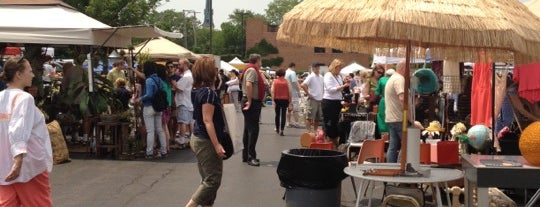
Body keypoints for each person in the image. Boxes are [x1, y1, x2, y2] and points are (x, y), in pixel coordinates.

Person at [0, 58, 53, 206]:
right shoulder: (24, 98)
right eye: (29, 71)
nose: (33, 75)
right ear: (18, 74)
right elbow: (18, 128)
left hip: (4, 166)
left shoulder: (1, 97)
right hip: (28, 165)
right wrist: (18, 160)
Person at [185, 56, 226, 207]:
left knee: (207, 179)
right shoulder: (208, 92)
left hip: (198, 137)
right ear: (209, 72)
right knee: (212, 181)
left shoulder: (197, 90)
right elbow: (208, 120)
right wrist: (217, 145)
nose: (216, 71)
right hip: (206, 140)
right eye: (214, 69)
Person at [384, 60, 423, 163]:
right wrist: (411, 119)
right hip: (399, 117)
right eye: (409, 68)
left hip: (392, 117)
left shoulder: (392, 78)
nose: (410, 71)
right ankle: (401, 166)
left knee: (393, 145)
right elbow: (402, 99)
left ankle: (391, 167)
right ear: (403, 68)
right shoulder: (399, 79)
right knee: (408, 143)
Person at [136, 61, 168, 159]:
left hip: (149, 106)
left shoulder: (149, 80)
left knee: (150, 131)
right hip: (159, 107)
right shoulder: (159, 79)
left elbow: (149, 95)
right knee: (159, 130)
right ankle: (164, 150)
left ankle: (149, 152)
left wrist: (140, 98)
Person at [240, 54, 265, 167]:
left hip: (250, 101)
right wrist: (250, 101)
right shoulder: (252, 70)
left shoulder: (251, 69)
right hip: (251, 102)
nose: (261, 63)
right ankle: (251, 156)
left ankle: (246, 155)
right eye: (261, 61)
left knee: (248, 129)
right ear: (257, 61)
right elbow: (249, 85)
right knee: (253, 130)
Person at [322, 59, 349, 146]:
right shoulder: (328, 75)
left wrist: (341, 101)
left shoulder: (338, 76)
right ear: (335, 67)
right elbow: (330, 90)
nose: (340, 69)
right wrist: (343, 86)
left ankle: (334, 143)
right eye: (339, 68)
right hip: (329, 102)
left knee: (336, 124)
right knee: (330, 124)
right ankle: (329, 143)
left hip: (336, 102)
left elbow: (339, 92)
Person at [301, 62, 324, 133]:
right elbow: (303, 85)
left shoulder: (321, 77)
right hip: (313, 99)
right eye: (316, 67)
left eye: (318, 67)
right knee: (310, 116)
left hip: (320, 99)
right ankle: (308, 131)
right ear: (313, 68)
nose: (318, 69)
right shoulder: (311, 76)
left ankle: (315, 130)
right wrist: (308, 94)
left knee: (317, 117)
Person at [175, 58, 193, 146]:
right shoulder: (189, 75)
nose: (178, 66)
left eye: (179, 64)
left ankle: (182, 140)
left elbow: (179, 89)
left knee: (182, 121)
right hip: (188, 101)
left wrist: (174, 84)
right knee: (190, 122)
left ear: (185, 65)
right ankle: (192, 140)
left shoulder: (186, 77)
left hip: (183, 101)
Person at [156, 64, 173, 153]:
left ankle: (166, 147)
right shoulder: (168, 82)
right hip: (168, 106)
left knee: (164, 127)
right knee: (165, 126)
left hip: (163, 106)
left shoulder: (160, 82)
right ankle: (168, 146)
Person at [271, 68, 292, 136]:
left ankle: (277, 128)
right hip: (285, 99)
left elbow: (272, 91)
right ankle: (282, 130)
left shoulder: (275, 81)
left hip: (277, 99)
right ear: (284, 74)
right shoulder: (287, 82)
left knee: (277, 115)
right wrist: (290, 101)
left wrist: (273, 100)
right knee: (283, 115)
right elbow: (290, 91)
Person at [375, 68, 394, 135]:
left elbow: (377, 92)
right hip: (394, 102)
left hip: (384, 101)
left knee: (382, 118)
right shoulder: (397, 79)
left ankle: (384, 136)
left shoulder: (382, 79)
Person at [285, 62, 302, 128]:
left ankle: (288, 122)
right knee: (295, 109)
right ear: (293, 67)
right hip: (293, 93)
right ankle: (296, 123)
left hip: (287, 93)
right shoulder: (292, 73)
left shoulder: (286, 72)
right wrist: (298, 91)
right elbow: (294, 82)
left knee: (288, 108)